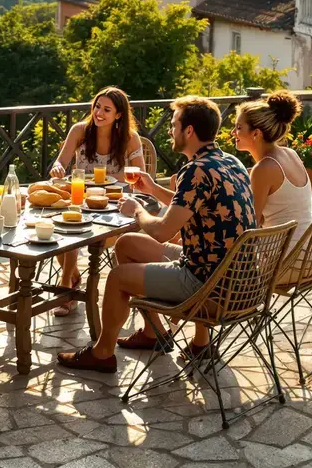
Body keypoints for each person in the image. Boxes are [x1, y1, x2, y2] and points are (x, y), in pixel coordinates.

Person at [57, 96, 256, 373]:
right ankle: (154, 334)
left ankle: (102, 353)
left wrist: (137, 210)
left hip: (208, 286)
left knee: (117, 279)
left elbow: (162, 232)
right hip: (241, 280)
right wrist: (152, 190)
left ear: (189, 131)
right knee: (127, 244)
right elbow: (193, 205)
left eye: (173, 125)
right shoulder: (229, 162)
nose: (170, 130)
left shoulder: (195, 171)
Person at [47, 87, 145, 317]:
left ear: (119, 115)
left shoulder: (129, 138)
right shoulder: (79, 131)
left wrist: (108, 179)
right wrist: (58, 168)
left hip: (114, 205)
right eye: (97, 106)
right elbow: (59, 163)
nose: (99, 113)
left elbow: (138, 174)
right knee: (62, 231)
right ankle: (71, 282)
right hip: (81, 200)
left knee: (70, 235)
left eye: (106, 109)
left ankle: (66, 290)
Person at [232, 91, 312, 250]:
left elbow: (250, 224)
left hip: (282, 265)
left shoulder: (264, 168)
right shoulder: (291, 154)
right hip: (309, 257)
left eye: (239, 127)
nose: (233, 132)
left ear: (256, 133)